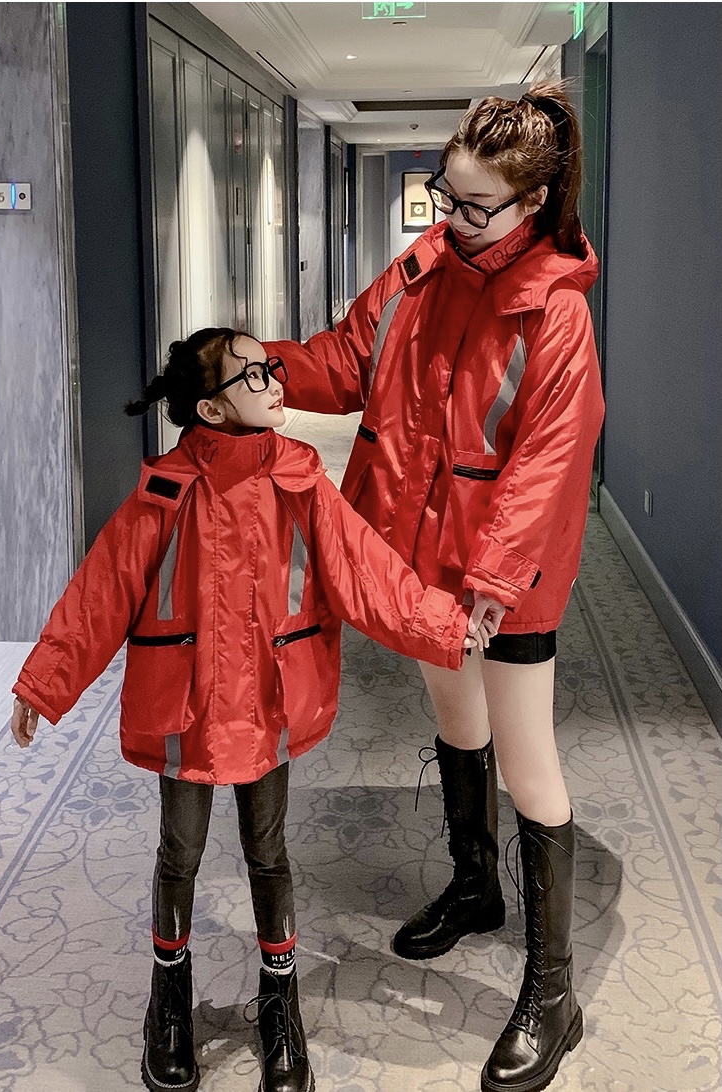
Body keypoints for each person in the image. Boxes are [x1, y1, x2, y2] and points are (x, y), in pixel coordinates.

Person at [10, 328, 480, 1092]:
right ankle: (168, 997)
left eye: (270, 368)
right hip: (185, 708)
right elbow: (102, 591)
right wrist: (44, 680)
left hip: (267, 703)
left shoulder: (299, 482)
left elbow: (369, 574)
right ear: (211, 408)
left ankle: (278, 1000)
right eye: (253, 374)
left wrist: (445, 626)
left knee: (269, 854)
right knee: (179, 854)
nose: (273, 381)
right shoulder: (166, 493)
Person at [265, 84, 605, 1092]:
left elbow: (549, 461)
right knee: (455, 724)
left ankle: (552, 994)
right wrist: (256, 368)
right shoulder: (417, 271)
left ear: (532, 202)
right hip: (414, 564)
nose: (450, 219)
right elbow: (343, 363)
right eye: (442, 196)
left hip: (501, 582)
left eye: (473, 205)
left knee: (529, 764)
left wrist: (491, 578)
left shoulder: (555, 312)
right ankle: (473, 886)